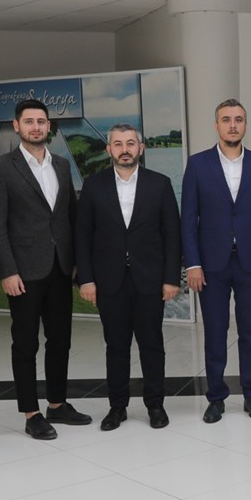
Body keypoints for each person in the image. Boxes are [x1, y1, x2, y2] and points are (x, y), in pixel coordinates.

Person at [0, 98, 89, 439]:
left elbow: (70, 217)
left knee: (60, 341)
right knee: (26, 344)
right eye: (29, 121)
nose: (36, 127)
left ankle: (57, 404)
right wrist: (7, 271)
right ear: (17, 126)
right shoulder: (1, 168)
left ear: (49, 126)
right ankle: (31, 413)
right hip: (23, 272)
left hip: (60, 268)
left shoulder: (61, 166)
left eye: (41, 121)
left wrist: (77, 263)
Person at [76, 124, 182, 431]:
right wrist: (86, 279)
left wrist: (171, 278)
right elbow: (82, 236)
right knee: (116, 346)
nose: (125, 149)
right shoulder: (93, 185)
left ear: (141, 148)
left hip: (150, 279)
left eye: (131, 143)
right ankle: (117, 406)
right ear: (108, 149)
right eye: (118, 144)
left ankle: (155, 405)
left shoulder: (159, 184)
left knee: (152, 345)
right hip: (109, 281)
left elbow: (172, 234)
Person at [182, 99, 251, 423]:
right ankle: (216, 398)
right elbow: (188, 219)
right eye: (226, 119)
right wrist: (192, 263)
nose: (233, 125)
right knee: (215, 332)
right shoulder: (198, 165)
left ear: (245, 125)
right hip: (211, 265)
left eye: (238, 119)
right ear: (217, 125)